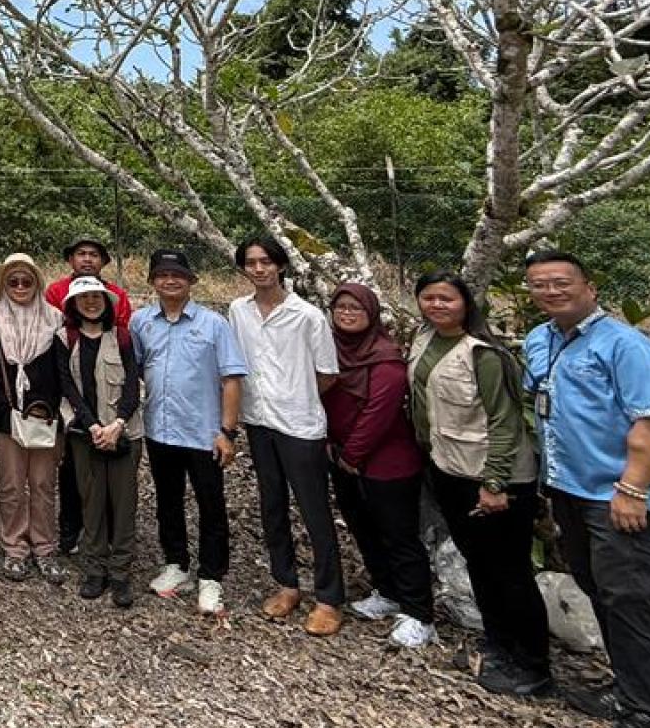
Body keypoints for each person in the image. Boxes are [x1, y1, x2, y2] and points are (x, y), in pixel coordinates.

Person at [522, 251, 650, 728]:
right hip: (571, 489)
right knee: (601, 590)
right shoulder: (540, 339)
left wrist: (633, 489)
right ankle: (628, 687)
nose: (552, 292)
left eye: (562, 283)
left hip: (619, 495)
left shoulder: (625, 346)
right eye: (540, 285)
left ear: (589, 287)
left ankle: (649, 717)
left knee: (632, 598)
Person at [408, 271, 550, 698]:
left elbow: (505, 421)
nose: (436, 305)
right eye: (428, 298)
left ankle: (533, 664)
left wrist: (495, 481)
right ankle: (498, 644)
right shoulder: (424, 340)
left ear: (466, 303)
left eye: (446, 299)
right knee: (479, 562)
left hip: (491, 477)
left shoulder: (484, 354)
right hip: (449, 468)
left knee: (510, 569)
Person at [227, 235, 345, 636]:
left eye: (266, 262)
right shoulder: (238, 311)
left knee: (314, 511)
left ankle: (329, 597)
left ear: (280, 266)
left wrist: (297, 395)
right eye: (251, 262)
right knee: (271, 504)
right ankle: (287, 583)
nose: (259, 269)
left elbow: (327, 373)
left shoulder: (308, 315)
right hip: (259, 422)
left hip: (300, 425)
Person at [132, 249, 246, 616]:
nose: (169, 280)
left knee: (211, 504)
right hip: (160, 428)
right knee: (168, 499)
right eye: (162, 274)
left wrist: (227, 431)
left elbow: (231, 379)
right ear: (152, 281)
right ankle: (176, 564)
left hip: (203, 431)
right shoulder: (141, 322)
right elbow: (134, 370)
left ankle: (212, 575)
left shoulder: (213, 324)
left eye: (177, 274)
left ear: (190, 280)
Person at [322, 283, 434, 648]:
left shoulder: (385, 358)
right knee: (364, 528)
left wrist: (352, 455)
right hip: (341, 457)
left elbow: (379, 413)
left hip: (386, 463)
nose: (348, 313)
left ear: (372, 313)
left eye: (356, 308)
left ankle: (419, 612)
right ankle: (386, 591)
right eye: (341, 307)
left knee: (399, 535)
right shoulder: (329, 349)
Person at [58, 276, 143, 608]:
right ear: (73, 304)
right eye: (83, 298)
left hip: (124, 432)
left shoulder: (122, 336)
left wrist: (117, 424)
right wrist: (92, 425)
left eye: (96, 296)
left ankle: (121, 572)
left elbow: (134, 384)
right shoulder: (65, 338)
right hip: (84, 435)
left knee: (123, 504)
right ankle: (95, 569)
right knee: (91, 503)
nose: (90, 302)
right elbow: (67, 386)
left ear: (106, 301)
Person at [46, 236, 132, 556]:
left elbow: (123, 340)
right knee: (71, 467)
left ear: (103, 261)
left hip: (108, 389)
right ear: (71, 260)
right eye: (80, 254)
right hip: (69, 388)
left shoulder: (118, 296)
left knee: (110, 469)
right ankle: (71, 529)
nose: (86, 259)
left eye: (93, 255)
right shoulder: (55, 291)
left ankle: (107, 532)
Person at [0, 252, 67, 584]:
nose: (20, 287)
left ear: (37, 283)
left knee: (44, 484)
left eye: (27, 281)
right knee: (10, 484)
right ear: (4, 284)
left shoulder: (55, 319)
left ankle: (45, 547)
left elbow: (64, 371)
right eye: (13, 281)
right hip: (5, 415)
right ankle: (14, 548)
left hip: (46, 414)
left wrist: (54, 408)